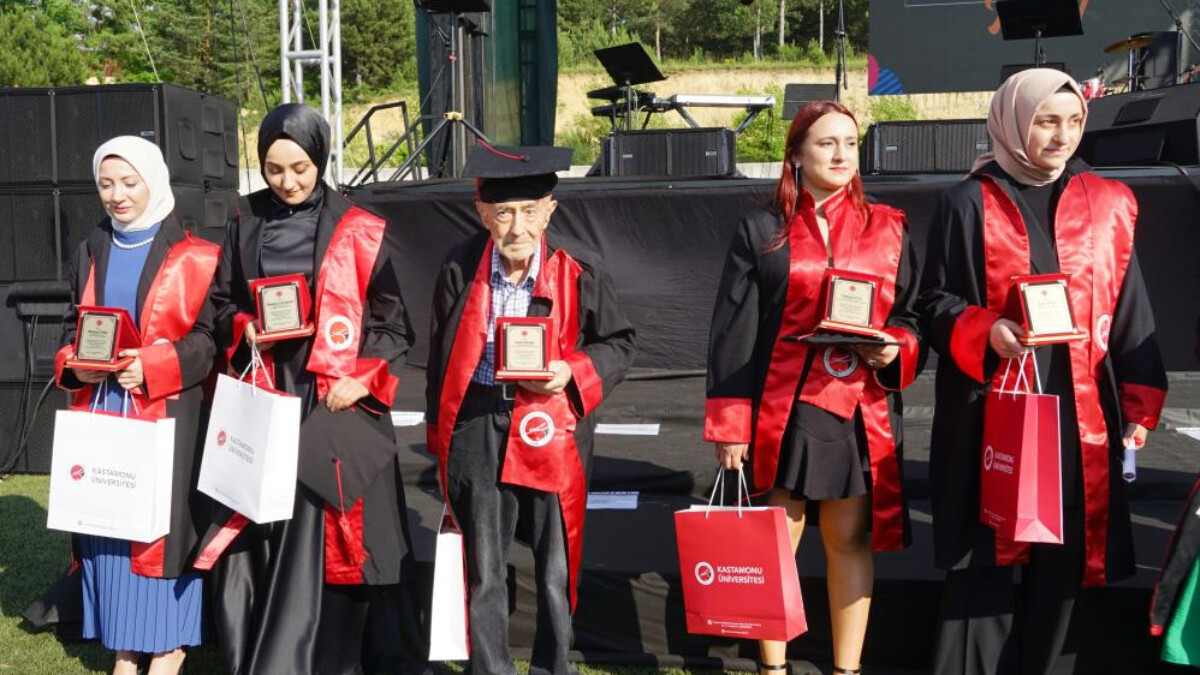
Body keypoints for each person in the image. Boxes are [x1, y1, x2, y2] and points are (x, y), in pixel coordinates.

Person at [920, 68, 1168, 675]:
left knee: (1063, 562)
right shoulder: (965, 203)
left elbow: (1131, 305)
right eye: (1046, 121)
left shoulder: (1109, 203)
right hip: (993, 405)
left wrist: (1138, 403)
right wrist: (987, 331)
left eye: (1074, 121)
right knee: (987, 554)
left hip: (1078, 409)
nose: (1062, 136)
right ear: (1011, 122)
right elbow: (932, 303)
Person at [197, 103, 419, 675]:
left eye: (300, 167)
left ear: (319, 158)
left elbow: (395, 327)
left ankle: (336, 654)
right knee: (270, 523)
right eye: (274, 168)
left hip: (335, 400)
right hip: (269, 394)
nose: (288, 181)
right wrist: (247, 331)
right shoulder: (243, 220)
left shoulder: (359, 229)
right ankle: (272, 650)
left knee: (335, 532)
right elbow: (221, 306)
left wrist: (358, 377)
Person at [705, 100, 921, 675]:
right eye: (826, 143)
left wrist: (895, 346)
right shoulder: (762, 229)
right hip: (785, 407)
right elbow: (733, 331)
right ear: (796, 154)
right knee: (777, 541)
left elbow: (914, 316)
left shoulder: (889, 227)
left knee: (848, 540)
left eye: (850, 143)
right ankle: (773, 667)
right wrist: (731, 425)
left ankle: (846, 669)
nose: (841, 155)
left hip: (856, 407)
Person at [426, 144, 636, 675]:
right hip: (479, 421)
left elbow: (618, 343)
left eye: (528, 211)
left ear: (549, 210)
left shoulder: (578, 267)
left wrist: (572, 373)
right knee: (486, 565)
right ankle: (491, 668)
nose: (516, 226)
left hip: (551, 424)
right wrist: (440, 436)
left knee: (554, 564)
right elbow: (438, 357)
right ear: (483, 215)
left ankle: (552, 667)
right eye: (503, 213)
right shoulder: (458, 265)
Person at [51, 136, 220, 675]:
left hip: (165, 416)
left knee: (160, 532)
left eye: (129, 182)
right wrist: (75, 363)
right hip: (103, 413)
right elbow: (71, 329)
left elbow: (208, 341)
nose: (117, 195)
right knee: (109, 527)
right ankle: (126, 649)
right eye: (106, 184)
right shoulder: (90, 247)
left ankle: (168, 649)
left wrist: (153, 365)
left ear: (154, 180)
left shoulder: (194, 254)